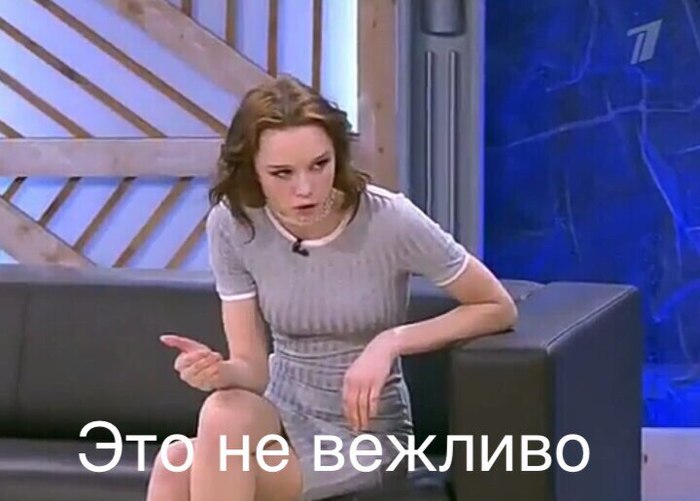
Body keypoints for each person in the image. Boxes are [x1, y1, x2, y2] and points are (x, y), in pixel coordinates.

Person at [146, 75, 518, 501]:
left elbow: (497, 306)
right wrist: (219, 373)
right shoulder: (234, 224)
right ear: (253, 172)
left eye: (319, 165)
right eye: (282, 173)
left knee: (183, 467)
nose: (305, 188)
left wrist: (389, 342)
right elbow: (252, 368)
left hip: (364, 432)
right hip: (282, 411)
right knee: (205, 426)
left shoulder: (389, 220)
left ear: (337, 157)